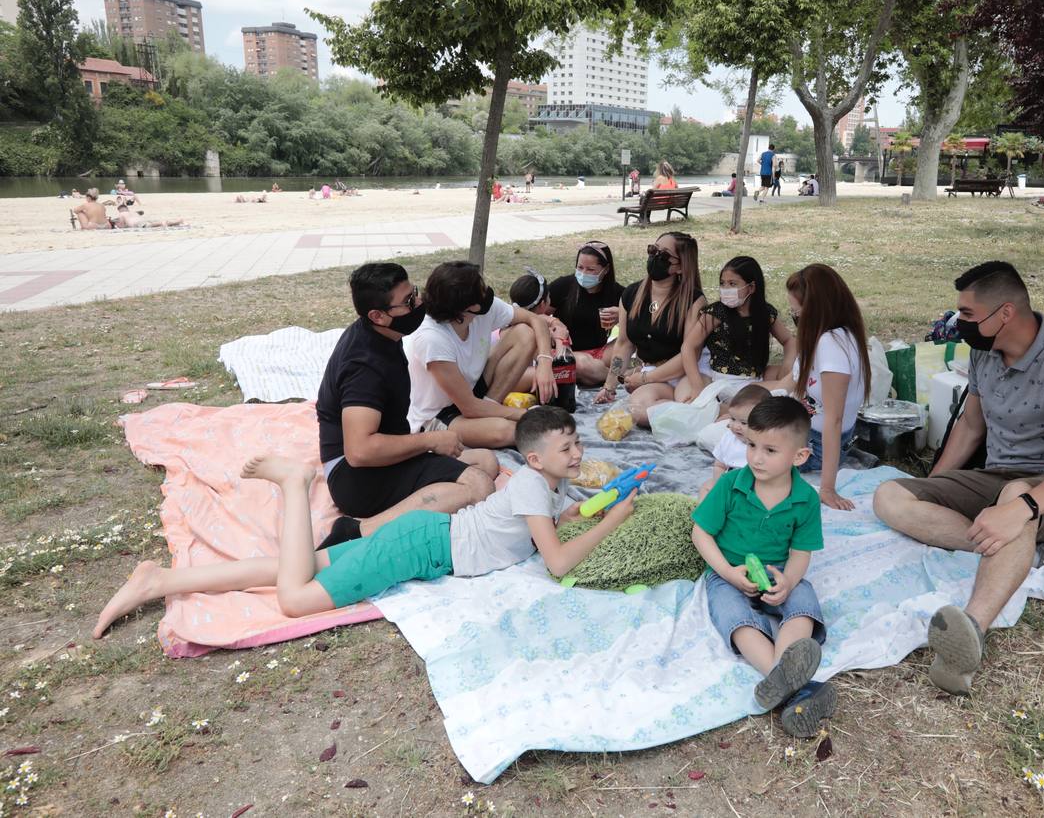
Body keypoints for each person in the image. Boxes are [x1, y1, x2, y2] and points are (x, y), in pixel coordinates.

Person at [93, 407, 638, 639]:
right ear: (535, 458)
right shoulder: (528, 484)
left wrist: (580, 511)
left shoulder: (545, 486)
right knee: (295, 597)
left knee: (292, 567)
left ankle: (158, 580)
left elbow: (548, 525)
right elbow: (559, 560)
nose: (578, 452)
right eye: (567, 447)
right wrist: (613, 519)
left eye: (578, 442)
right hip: (418, 549)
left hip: (422, 536)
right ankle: (290, 483)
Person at [872, 261, 1044, 696]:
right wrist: (935, 489)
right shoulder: (984, 353)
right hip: (997, 480)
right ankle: (1031, 550)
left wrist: (1021, 508)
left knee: (1015, 499)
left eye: (965, 313)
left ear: (1004, 315)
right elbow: (970, 428)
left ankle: (971, 632)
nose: (956, 322)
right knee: (888, 495)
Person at [315, 263, 498, 549]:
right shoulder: (364, 366)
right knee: (479, 486)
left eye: (414, 292)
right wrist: (430, 439)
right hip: (355, 477)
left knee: (485, 461)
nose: (419, 303)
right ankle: (358, 531)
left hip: (386, 456)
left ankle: (412, 512)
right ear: (378, 315)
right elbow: (359, 451)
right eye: (408, 302)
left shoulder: (383, 333)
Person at [691, 396, 836, 738]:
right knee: (735, 621)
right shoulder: (731, 484)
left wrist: (788, 581)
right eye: (751, 445)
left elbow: (801, 552)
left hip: (778, 570)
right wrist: (727, 572)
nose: (755, 457)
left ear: (799, 456)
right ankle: (786, 681)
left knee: (802, 605)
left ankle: (784, 674)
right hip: (728, 574)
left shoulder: (805, 498)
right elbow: (701, 533)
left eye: (770, 450)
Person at [404, 262, 559, 449]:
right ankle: (488, 419)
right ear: (464, 310)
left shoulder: (481, 307)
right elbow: (469, 407)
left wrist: (544, 362)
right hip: (440, 414)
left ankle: (491, 408)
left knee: (525, 333)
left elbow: (534, 319)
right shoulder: (431, 338)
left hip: (473, 390)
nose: (487, 297)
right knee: (508, 431)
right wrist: (528, 414)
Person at [770, 264, 870, 512]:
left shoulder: (831, 345)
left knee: (742, 451)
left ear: (816, 311)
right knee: (736, 419)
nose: (795, 319)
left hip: (814, 444)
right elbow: (790, 383)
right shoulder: (828, 336)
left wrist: (827, 488)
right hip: (801, 429)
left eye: (797, 313)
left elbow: (834, 420)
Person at [595, 231, 705, 425]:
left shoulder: (693, 301)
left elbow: (690, 355)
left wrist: (644, 379)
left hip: (687, 371)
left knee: (690, 406)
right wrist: (609, 386)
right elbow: (624, 344)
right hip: (653, 374)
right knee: (638, 411)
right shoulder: (631, 294)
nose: (655, 257)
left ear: (680, 267)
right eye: (653, 250)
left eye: (663, 255)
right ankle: (671, 406)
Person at [680, 256, 798, 403]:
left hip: (756, 376)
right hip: (726, 383)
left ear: (752, 287)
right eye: (722, 284)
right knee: (790, 390)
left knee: (798, 377)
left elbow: (789, 341)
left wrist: (786, 368)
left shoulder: (765, 313)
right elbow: (688, 346)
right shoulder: (716, 312)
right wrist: (697, 386)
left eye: (732, 284)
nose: (725, 289)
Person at [548, 241, 624, 386]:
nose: (583, 273)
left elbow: (643, 322)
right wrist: (553, 326)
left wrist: (623, 316)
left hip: (600, 353)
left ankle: (595, 373)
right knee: (582, 365)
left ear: (606, 269)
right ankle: (620, 376)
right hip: (565, 353)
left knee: (631, 339)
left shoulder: (617, 293)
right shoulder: (563, 286)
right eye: (580, 267)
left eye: (590, 269)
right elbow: (537, 315)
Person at [697, 384, 772, 501]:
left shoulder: (766, 446)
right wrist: (719, 485)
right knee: (707, 487)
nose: (736, 426)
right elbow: (719, 465)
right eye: (732, 419)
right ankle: (705, 517)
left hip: (753, 490)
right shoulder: (728, 438)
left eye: (744, 423)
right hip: (729, 485)